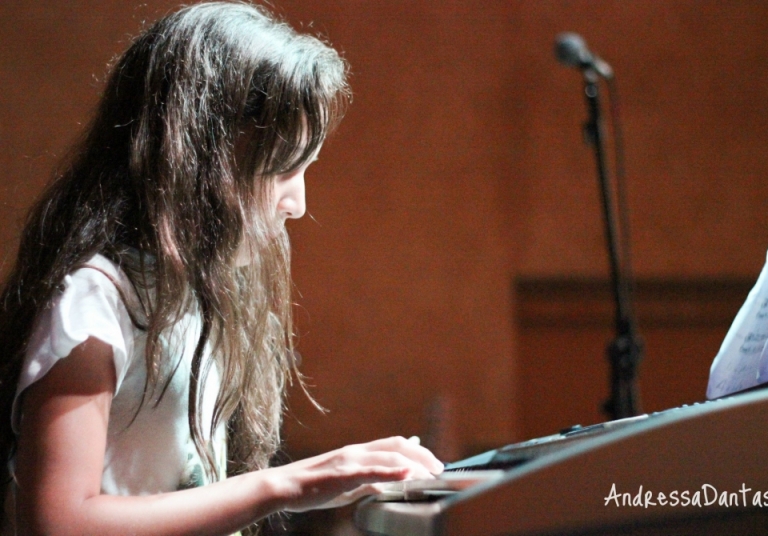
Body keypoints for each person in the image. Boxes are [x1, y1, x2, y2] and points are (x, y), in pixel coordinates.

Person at [0, 2, 443, 535]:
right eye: (283, 168)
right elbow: (58, 523)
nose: (297, 203)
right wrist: (287, 484)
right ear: (199, 157)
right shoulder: (96, 300)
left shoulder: (196, 289)